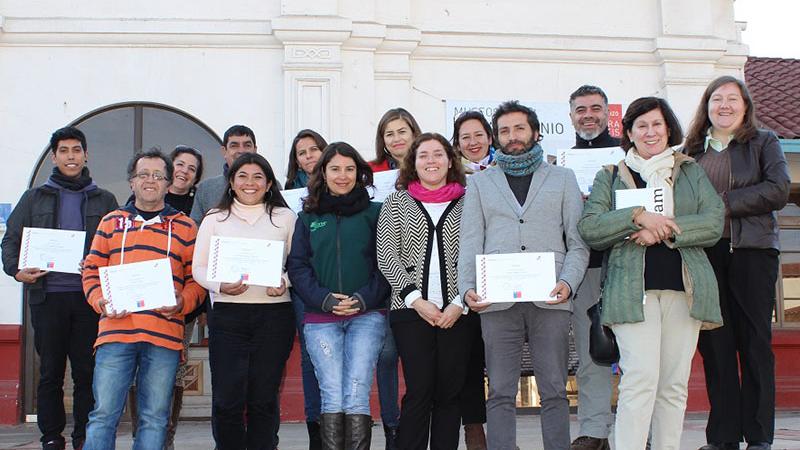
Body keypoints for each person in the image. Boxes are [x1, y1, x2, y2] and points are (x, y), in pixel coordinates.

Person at [578, 96, 725, 450]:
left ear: (668, 128)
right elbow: (591, 226)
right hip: (631, 293)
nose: (650, 132)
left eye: (657, 124)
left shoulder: (690, 170)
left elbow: (713, 221)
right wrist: (637, 217)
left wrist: (664, 228)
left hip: (684, 288)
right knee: (639, 379)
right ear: (628, 132)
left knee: (673, 385)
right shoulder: (609, 176)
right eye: (641, 125)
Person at [458, 100, 589, 450]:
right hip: (496, 302)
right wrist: (467, 288)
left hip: (551, 297)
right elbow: (470, 242)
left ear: (534, 131)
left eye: (519, 128)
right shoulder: (481, 183)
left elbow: (577, 242)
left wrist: (569, 282)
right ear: (495, 138)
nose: (512, 136)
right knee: (499, 391)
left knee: (554, 391)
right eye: (504, 131)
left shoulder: (563, 178)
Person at [685, 76, 790, 450]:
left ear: (745, 106)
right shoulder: (692, 152)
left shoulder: (765, 142)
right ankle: (723, 437)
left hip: (752, 253)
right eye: (717, 99)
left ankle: (759, 435)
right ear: (707, 106)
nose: (724, 105)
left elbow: (778, 190)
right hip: (705, 256)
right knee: (716, 346)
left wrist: (722, 204)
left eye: (733, 99)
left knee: (755, 345)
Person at [1, 127, 118, 450]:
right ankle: (51, 436)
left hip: (88, 299)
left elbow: (117, 246)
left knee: (86, 371)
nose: (70, 156)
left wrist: (102, 268)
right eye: (64, 150)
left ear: (86, 155)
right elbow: (10, 240)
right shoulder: (34, 197)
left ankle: (84, 436)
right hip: (47, 297)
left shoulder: (104, 198)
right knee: (51, 372)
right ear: (54, 157)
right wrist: (16, 270)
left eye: (76, 150)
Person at [81, 149, 206, 450]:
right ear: (131, 182)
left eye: (158, 176)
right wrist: (100, 301)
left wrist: (182, 302)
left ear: (167, 183)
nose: (150, 181)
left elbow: (197, 281)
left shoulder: (187, 227)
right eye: (143, 175)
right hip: (115, 335)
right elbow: (91, 270)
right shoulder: (111, 222)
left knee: (155, 418)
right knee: (103, 415)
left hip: (164, 338)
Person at [287, 143, 390, 449]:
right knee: (331, 391)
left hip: (367, 316)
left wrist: (362, 299)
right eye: (335, 169)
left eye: (349, 169)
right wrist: (325, 300)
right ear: (323, 173)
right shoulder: (307, 216)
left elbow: (386, 263)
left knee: (357, 391)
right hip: (320, 318)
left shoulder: (376, 212)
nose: (342, 176)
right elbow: (298, 266)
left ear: (359, 173)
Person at [193, 153, 297, 450]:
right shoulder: (214, 218)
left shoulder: (285, 217)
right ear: (231, 182)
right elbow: (198, 267)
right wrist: (220, 285)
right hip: (228, 316)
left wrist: (284, 281)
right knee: (228, 398)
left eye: (257, 177)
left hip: (274, 316)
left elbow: (300, 263)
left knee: (263, 397)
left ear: (268, 184)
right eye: (243, 176)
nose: (249, 183)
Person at [377, 133, 472, 450]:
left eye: (438, 154)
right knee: (419, 390)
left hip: (459, 312)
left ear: (449, 160)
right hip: (409, 312)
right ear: (412, 163)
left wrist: (459, 302)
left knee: (449, 392)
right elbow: (386, 254)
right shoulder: (396, 201)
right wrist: (416, 300)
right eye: (423, 155)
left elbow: (478, 253)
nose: (431, 161)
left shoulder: (469, 201)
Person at [125, 144, 204, 449]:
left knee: (173, 374)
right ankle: (141, 435)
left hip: (179, 311)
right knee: (138, 373)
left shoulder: (194, 214)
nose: (184, 171)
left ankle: (165, 437)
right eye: (180, 165)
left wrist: (185, 301)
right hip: (136, 310)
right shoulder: (138, 203)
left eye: (191, 168)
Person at [566, 85, 619, 450]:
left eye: (595, 108)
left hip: (627, 265)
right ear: (570, 117)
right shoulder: (561, 162)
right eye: (581, 109)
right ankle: (594, 430)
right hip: (584, 266)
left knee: (636, 354)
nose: (588, 115)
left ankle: (640, 431)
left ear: (606, 113)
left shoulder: (626, 155)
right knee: (592, 354)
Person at [369, 108, 422, 448]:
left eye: (402, 131)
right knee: (386, 356)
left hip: (422, 280)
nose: (397, 138)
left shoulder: (432, 166)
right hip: (381, 277)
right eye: (390, 133)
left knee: (418, 359)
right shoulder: (370, 174)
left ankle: (415, 422)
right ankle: (391, 427)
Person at [450, 111, 492, 449]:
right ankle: (474, 433)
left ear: (490, 138)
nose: (473, 142)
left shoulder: (508, 172)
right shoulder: (452, 182)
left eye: (479, 135)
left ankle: (503, 432)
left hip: (506, 277)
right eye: (466, 137)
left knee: (502, 361)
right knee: (469, 361)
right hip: (466, 281)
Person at [285, 129, 329, 449]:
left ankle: (337, 423)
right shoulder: (286, 193)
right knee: (310, 358)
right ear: (296, 160)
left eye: (314, 149)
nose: (309, 156)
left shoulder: (342, 183)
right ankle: (316, 429)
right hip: (302, 284)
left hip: (338, 282)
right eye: (302, 152)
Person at [190, 125, 259, 224]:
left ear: (255, 150)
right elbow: (195, 227)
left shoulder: (268, 185)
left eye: (247, 145)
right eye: (234, 146)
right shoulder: (206, 189)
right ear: (224, 151)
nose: (241, 151)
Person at [370, 107, 422, 172]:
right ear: (382, 140)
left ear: (414, 134)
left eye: (402, 132)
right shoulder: (370, 170)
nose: (396, 139)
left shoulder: (430, 166)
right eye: (390, 134)